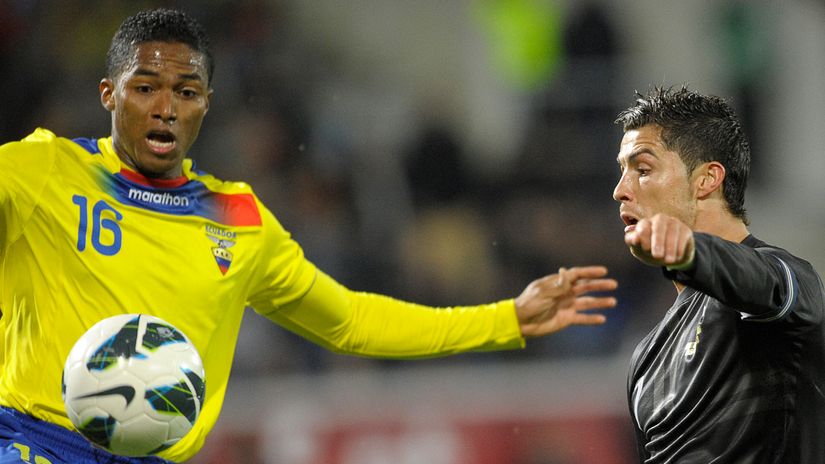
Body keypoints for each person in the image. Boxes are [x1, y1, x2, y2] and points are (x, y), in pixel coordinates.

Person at [0, 8, 618, 464]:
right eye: (146, 88)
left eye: (185, 92)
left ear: (206, 104)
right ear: (110, 94)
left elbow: (349, 321)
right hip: (35, 442)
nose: (166, 107)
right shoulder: (41, 170)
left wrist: (505, 318)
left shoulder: (236, 217)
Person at [613, 86, 825, 463]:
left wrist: (689, 253)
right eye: (622, 172)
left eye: (643, 169)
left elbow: (758, 281)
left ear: (707, 179)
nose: (619, 191)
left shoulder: (785, 283)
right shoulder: (646, 360)